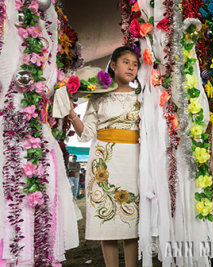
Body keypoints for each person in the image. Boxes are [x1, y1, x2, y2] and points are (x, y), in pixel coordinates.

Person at [68, 46, 141, 267]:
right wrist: (71, 113)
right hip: (103, 163)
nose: (131, 67)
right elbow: (86, 134)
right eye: (126, 62)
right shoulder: (98, 97)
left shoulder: (143, 97)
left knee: (131, 223)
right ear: (113, 65)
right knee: (106, 222)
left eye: (135, 64)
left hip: (133, 161)